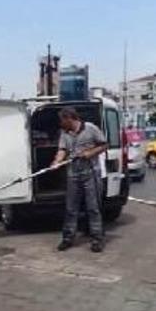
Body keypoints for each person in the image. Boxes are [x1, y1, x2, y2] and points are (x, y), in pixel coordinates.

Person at [51, 107, 108, 253]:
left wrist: (90, 153)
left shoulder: (90, 128)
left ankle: (97, 239)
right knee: (71, 208)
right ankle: (67, 238)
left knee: (93, 208)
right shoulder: (64, 133)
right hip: (73, 174)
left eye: (62, 120)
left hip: (90, 173)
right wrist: (57, 161)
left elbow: (103, 145)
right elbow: (62, 150)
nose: (60, 123)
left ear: (70, 118)